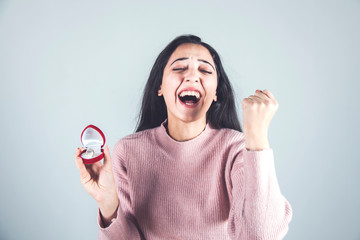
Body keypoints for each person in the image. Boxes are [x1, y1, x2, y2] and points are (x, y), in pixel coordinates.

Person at [74, 34, 292, 240]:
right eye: (179, 67)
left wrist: (257, 138)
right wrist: (107, 202)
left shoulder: (235, 149)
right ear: (160, 87)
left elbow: (260, 235)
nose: (191, 76)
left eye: (205, 71)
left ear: (216, 92)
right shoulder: (128, 152)